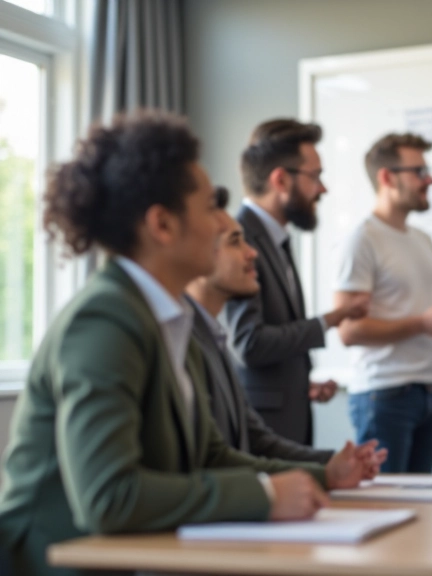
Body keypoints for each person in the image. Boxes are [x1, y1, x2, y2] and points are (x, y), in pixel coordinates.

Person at [0, 112, 382, 576]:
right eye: (207, 207)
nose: (223, 220)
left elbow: (210, 454)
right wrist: (263, 496)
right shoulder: (103, 320)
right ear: (162, 225)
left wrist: (323, 476)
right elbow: (109, 497)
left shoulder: (168, 320)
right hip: (52, 564)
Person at [186, 186, 387, 466]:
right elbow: (215, 461)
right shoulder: (184, 341)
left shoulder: (213, 336)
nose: (251, 253)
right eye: (235, 242)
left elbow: (256, 441)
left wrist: (335, 463)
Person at [226, 119, 369, 445]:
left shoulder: (276, 240)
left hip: (285, 419)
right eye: (315, 176)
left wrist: (297, 385)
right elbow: (249, 344)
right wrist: (332, 319)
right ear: (280, 180)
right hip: (261, 433)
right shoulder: (241, 240)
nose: (323, 188)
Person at [334, 132, 432, 473]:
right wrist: (423, 323)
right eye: (419, 171)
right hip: (383, 396)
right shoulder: (362, 240)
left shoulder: (423, 240)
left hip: (427, 390)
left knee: (421, 509)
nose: (430, 179)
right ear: (386, 177)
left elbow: (429, 310)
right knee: (388, 506)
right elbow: (348, 331)